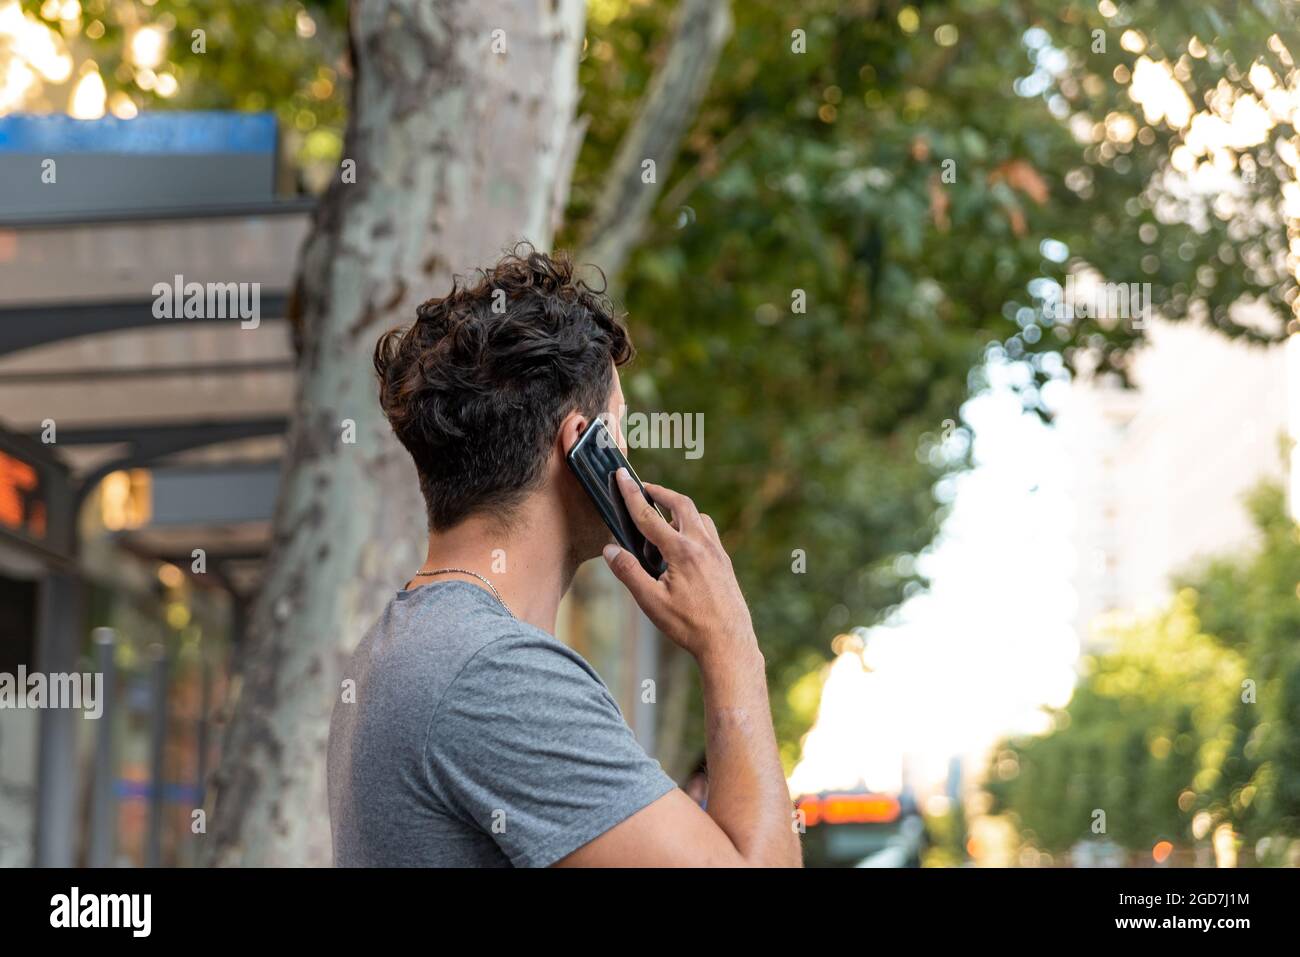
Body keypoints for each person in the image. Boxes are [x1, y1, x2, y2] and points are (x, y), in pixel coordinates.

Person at [326, 243, 802, 868]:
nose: (629, 459)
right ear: (585, 444)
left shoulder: (402, 643)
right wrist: (731, 642)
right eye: (620, 431)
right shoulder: (495, 673)